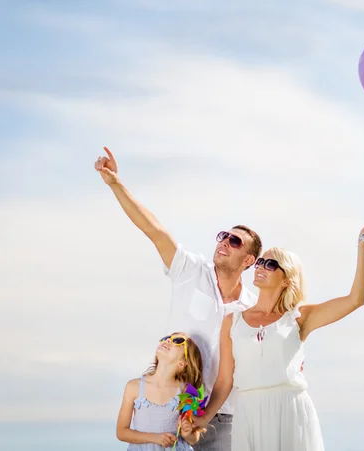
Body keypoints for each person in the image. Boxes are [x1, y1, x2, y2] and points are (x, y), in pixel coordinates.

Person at [95, 147, 262, 451]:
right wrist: (116, 184)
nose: (225, 241)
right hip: (171, 407)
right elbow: (154, 229)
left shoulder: (252, 307)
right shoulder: (190, 270)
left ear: (249, 260)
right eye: (223, 235)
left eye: (235, 240)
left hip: (225, 416)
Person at [192, 220, 364, 451]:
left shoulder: (299, 317)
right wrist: (204, 417)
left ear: (287, 279)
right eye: (260, 262)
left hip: (290, 409)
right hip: (248, 413)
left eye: (271, 264)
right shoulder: (233, 320)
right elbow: (224, 380)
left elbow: (355, 300)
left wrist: (362, 247)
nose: (260, 267)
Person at [116, 332, 204, 450]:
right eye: (167, 338)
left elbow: (194, 439)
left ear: (183, 363)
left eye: (178, 341)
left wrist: (187, 433)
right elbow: (121, 432)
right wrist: (154, 438)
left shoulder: (186, 392)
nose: (168, 341)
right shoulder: (134, 387)